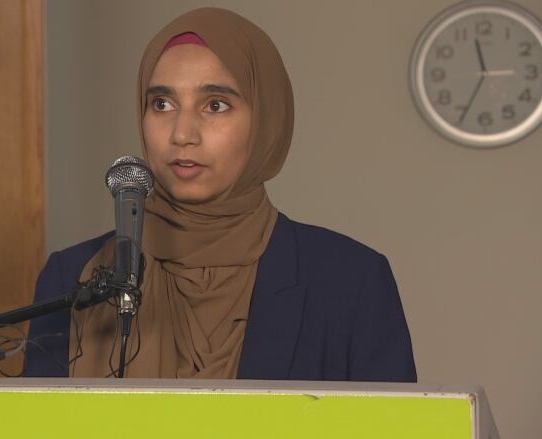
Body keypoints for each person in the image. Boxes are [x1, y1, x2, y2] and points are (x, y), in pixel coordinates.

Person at [24, 7, 416, 381]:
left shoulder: (349, 282)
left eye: (215, 105)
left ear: (266, 120)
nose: (182, 134)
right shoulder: (74, 277)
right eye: (161, 103)